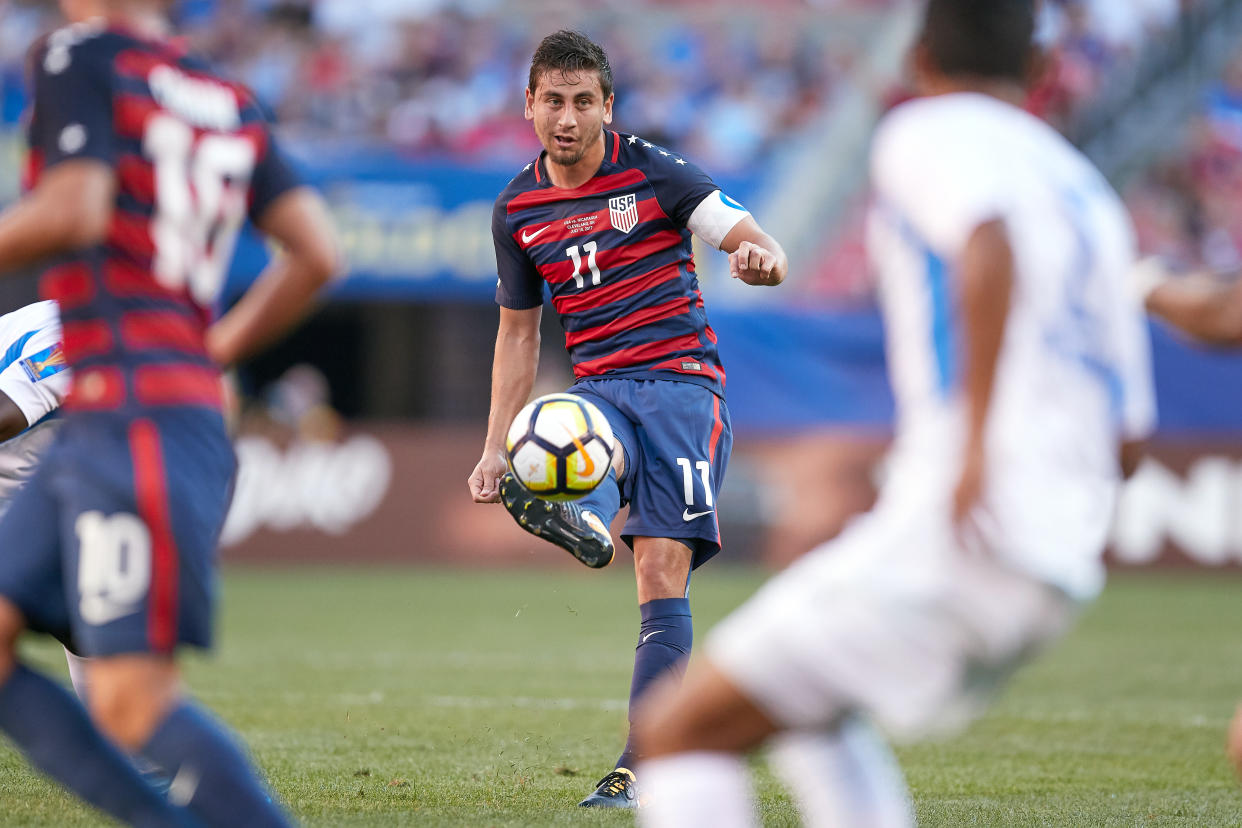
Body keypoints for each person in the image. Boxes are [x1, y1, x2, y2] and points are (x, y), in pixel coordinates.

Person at [632, 2, 1156, 825]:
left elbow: (985, 238)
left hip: (965, 524)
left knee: (676, 735)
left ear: (914, 59)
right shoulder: (1084, 191)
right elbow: (1128, 441)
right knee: (809, 715)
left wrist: (978, 451)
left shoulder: (930, 132)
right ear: (1042, 67)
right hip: (1061, 552)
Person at [0, 1, 338, 825]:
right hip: (146, 408)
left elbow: (74, 211)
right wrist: (207, 353)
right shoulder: (220, 90)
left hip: (126, 412)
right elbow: (319, 255)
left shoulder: (79, 55)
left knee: (133, 697)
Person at [466, 30, 787, 808]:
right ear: (529, 106)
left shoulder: (659, 174)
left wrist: (761, 261)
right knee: (556, 427)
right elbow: (518, 334)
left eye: (583, 102)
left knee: (658, 570)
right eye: (553, 102)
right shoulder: (516, 209)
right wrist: (489, 449)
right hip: (600, 390)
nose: (567, 118)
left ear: (608, 105)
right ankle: (579, 509)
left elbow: (751, 239)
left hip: (682, 389)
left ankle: (645, 759)